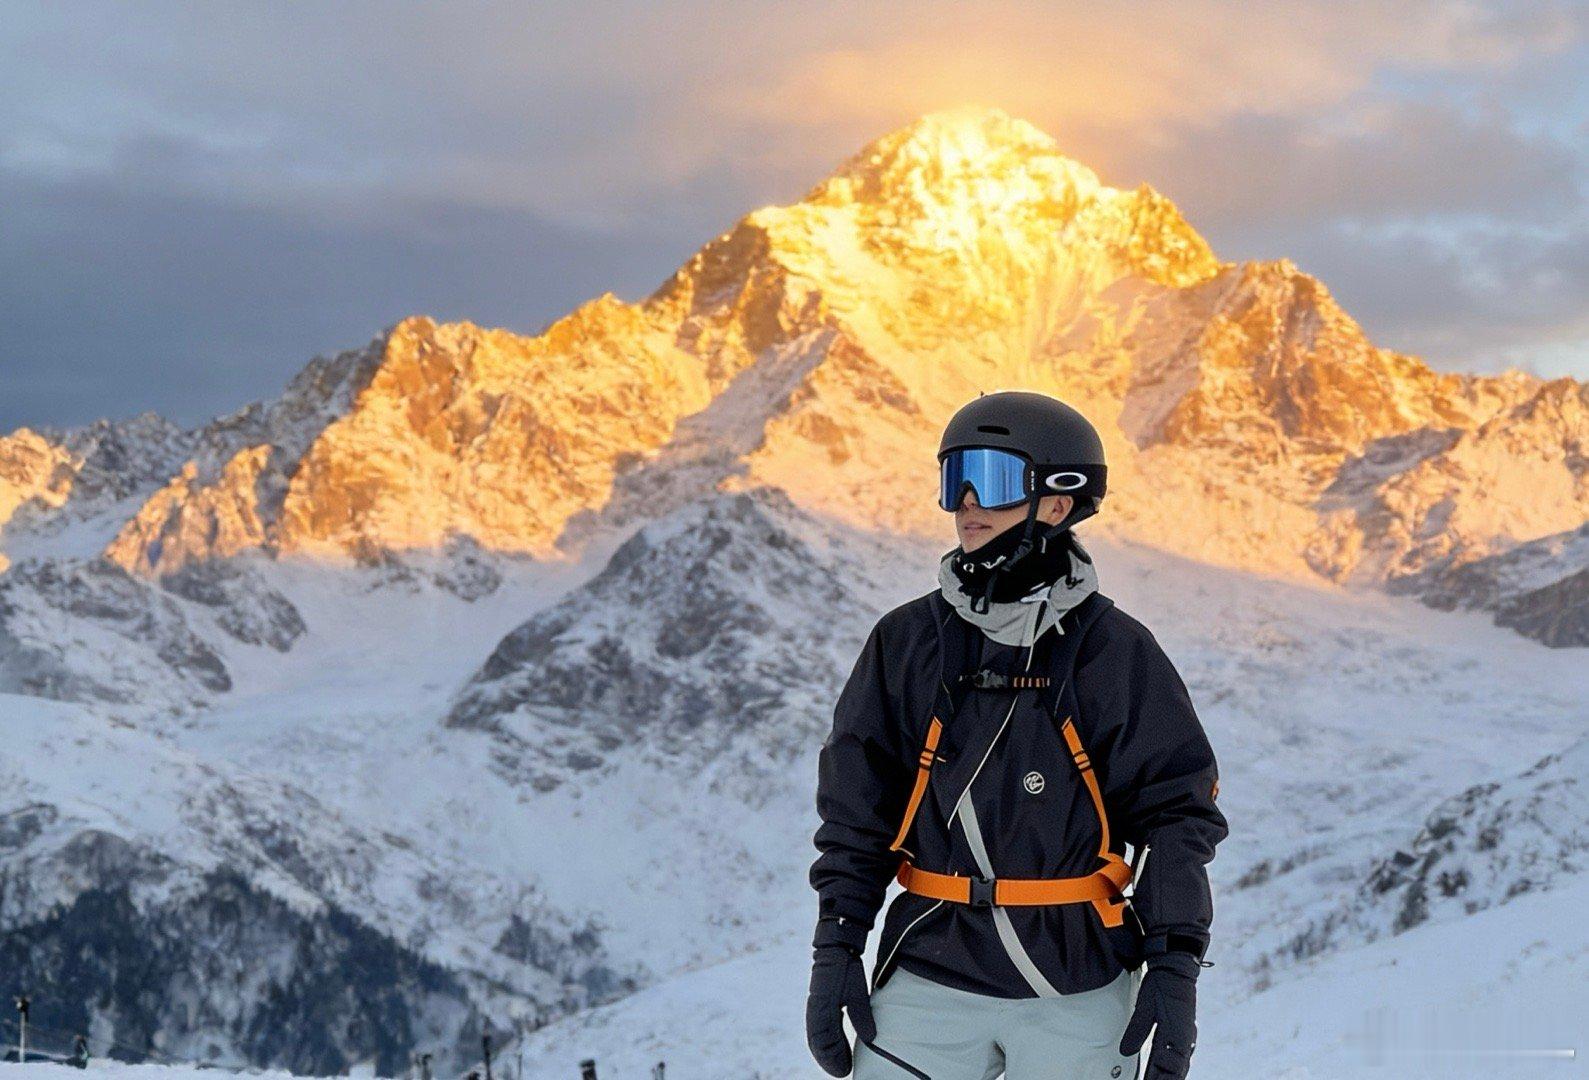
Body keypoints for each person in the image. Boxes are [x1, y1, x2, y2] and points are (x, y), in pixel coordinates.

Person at [806, 391, 1229, 1079]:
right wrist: (837, 946)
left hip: (1078, 977)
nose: (966, 502)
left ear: (1058, 503)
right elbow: (857, 811)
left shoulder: (1112, 651)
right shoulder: (906, 642)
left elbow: (1176, 813)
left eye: (993, 480)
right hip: (928, 967)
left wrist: (1174, 965)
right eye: (954, 478)